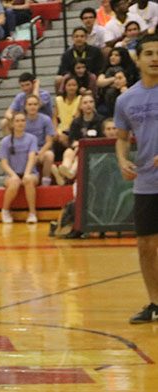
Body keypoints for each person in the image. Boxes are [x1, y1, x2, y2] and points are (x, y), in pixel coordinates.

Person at [115, 33, 158, 323]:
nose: (155, 58)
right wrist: (121, 158)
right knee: (146, 245)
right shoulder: (126, 99)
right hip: (146, 181)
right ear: (138, 58)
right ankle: (155, 302)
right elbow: (121, 138)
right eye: (149, 53)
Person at [0, 112, 39, 224]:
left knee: (28, 180)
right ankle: (5, 210)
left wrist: (26, 173)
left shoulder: (32, 138)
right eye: (17, 121)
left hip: (30, 172)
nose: (20, 123)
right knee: (14, 182)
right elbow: (4, 163)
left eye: (23, 120)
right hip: (11, 174)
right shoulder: (5, 141)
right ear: (12, 124)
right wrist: (13, 175)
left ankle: (32, 213)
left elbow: (32, 157)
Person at [22, 95, 55, 186]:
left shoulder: (46, 119)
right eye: (30, 104)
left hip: (41, 150)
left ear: (38, 106)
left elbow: (49, 142)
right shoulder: (21, 120)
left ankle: (45, 183)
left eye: (35, 104)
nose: (32, 107)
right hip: (26, 151)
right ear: (25, 106)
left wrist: (39, 153)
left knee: (49, 155)